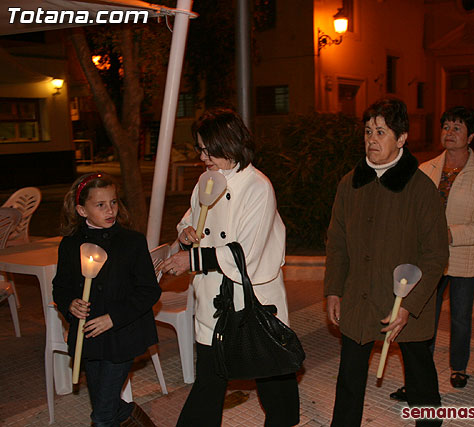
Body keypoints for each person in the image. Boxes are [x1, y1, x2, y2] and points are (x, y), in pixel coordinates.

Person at [160, 108, 300, 427]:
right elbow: (191, 216)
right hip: (213, 297)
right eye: (200, 149)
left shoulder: (257, 187)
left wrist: (192, 259)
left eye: (209, 148)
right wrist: (185, 231)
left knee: (272, 376)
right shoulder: (206, 181)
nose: (203, 156)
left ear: (231, 142)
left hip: (254, 300)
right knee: (210, 377)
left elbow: (246, 253)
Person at [324, 98, 449, 426]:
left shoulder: (420, 188)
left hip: (403, 301)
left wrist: (410, 305)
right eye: (367, 131)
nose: (372, 139)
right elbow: (336, 243)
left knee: (420, 375)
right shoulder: (350, 183)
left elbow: (436, 254)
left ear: (402, 138)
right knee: (350, 378)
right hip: (359, 298)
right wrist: (334, 290)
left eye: (381, 131)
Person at [390, 107, 474, 400]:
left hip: (463, 258)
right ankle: (418, 380)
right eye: (446, 127)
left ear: (471, 136)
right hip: (429, 259)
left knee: (460, 318)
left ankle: (459, 367)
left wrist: (452, 234)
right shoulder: (425, 169)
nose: (449, 133)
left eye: (457, 128)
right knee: (421, 318)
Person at [52, 172, 160, 427]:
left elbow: (149, 290)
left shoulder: (131, 242)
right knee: (108, 403)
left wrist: (113, 318)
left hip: (121, 335)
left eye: (113, 202)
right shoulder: (70, 244)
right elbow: (61, 285)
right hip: (89, 337)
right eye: (100, 205)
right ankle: (135, 418)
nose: (110, 209)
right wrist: (69, 304)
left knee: (101, 416)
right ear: (81, 209)